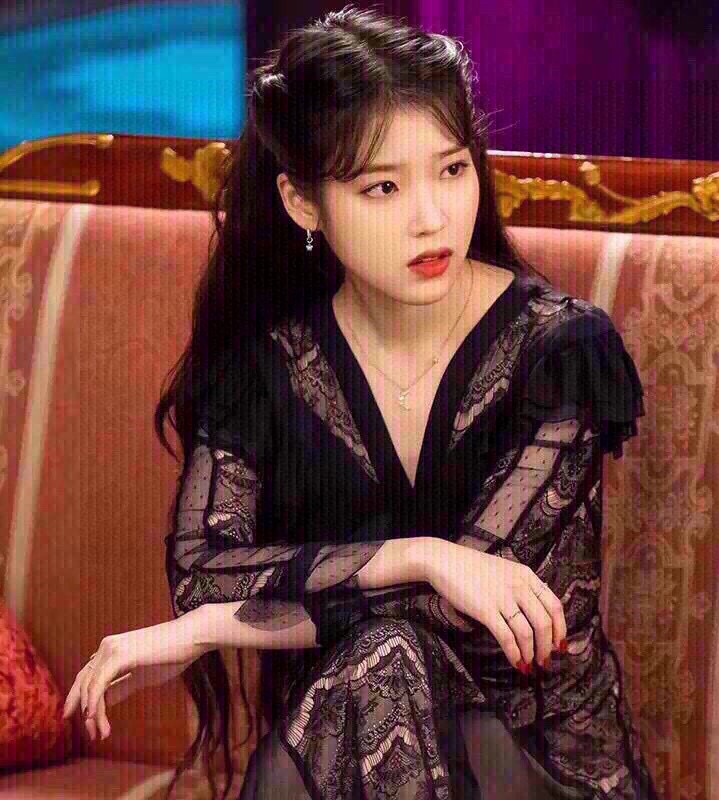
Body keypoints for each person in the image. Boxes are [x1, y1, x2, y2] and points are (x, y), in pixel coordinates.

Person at [63, 6, 659, 800]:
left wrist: (208, 629)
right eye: (383, 186)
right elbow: (204, 571)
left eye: (452, 170)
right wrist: (421, 554)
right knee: (375, 663)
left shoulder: (560, 354)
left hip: (538, 763)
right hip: (349, 752)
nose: (431, 217)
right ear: (303, 203)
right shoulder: (265, 371)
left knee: (387, 654)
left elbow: (469, 605)